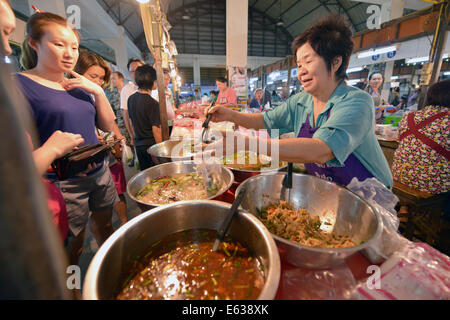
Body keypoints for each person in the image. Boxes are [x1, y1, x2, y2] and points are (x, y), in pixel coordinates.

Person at [207, 13, 392, 189]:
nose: (301, 71)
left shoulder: (357, 102)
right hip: (327, 191)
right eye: (299, 65)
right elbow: (265, 121)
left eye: (308, 61)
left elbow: (322, 150)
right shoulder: (301, 101)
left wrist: (247, 143)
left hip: (370, 197)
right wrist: (230, 115)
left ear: (336, 62)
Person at [16, 11, 118, 265]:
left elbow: (106, 124)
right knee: (74, 248)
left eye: (74, 46)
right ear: (33, 43)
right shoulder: (19, 86)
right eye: (58, 44)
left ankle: (110, 272)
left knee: (106, 228)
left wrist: (95, 90)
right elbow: (15, 160)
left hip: (99, 172)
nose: (69, 53)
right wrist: (51, 148)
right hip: (65, 183)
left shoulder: (78, 85)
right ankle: (73, 289)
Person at [74, 51, 128, 227]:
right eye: (93, 76)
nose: (98, 82)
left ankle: (123, 223)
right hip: (78, 167)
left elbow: (108, 123)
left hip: (102, 159)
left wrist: (115, 137)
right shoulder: (70, 94)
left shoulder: (95, 94)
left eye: (101, 78)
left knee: (105, 216)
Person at [391, 79, 449, 195]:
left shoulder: (409, 116)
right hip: (428, 182)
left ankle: (404, 208)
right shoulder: (447, 119)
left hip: (400, 174)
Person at [127, 64, 162, 170]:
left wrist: (133, 138)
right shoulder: (153, 103)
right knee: (155, 174)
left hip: (138, 145)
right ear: (153, 82)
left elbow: (131, 121)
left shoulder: (131, 99)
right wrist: (161, 150)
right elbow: (156, 130)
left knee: (145, 173)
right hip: (150, 146)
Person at [120, 58, 144, 167]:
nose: (135, 73)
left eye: (138, 69)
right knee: (141, 162)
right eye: (132, 70)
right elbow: (126, 114)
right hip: (137, 133)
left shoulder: (151, 87)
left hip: (152, 132)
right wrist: (132, 135)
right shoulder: (127, 89)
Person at [151, 70, 176, 135]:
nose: (166, 81)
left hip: (171, 121)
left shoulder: (169, 90)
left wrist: (175, 111)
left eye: (167, 79)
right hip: (161, 121)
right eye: (164, 79)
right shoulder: (156, 90)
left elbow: (172, 104)